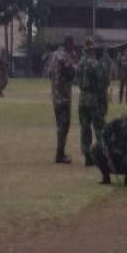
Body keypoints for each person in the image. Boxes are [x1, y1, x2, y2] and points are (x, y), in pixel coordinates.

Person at [91, 111, 127, 186]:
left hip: (124, 161)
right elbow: (103, 136)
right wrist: (107, 153)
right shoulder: (115, 124)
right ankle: (106, 177)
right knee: (96, 148)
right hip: (111, 158)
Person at [77, 38, 106, 167]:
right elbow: (101, 82)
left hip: (83, 100)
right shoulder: (94, 63)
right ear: (91, 50)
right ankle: (101, 154)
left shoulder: (80, 63)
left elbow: (78, 81)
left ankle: (87, 155)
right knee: (99, 128)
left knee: (85, 128)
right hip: (94, 100)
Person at [50, 36, 77, 164]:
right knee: (63, 126)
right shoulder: (64, 57)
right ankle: (59, 155)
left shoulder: (54, 56)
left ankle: (60, 154)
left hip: (55, 96)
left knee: (60, 125)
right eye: (72, 46)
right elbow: (72, 72)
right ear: (69, 45)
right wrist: (74, 60)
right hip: (64, 97)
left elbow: (50, 74)